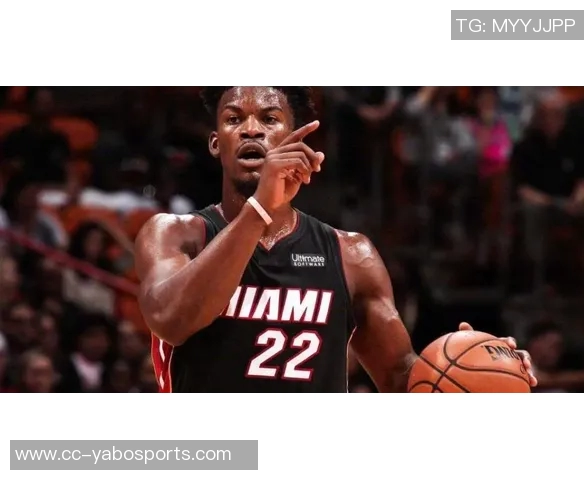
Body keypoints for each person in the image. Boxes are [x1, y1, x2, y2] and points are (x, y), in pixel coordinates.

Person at [134, 86, 537, 393]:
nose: (251, 129)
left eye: (270, 119)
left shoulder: (350, 254)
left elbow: (402, 378)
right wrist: (260, 209)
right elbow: (172, 321)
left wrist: (486, 366)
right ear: (215, 142)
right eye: (234, 118)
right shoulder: (175, 233)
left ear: (297, 141)